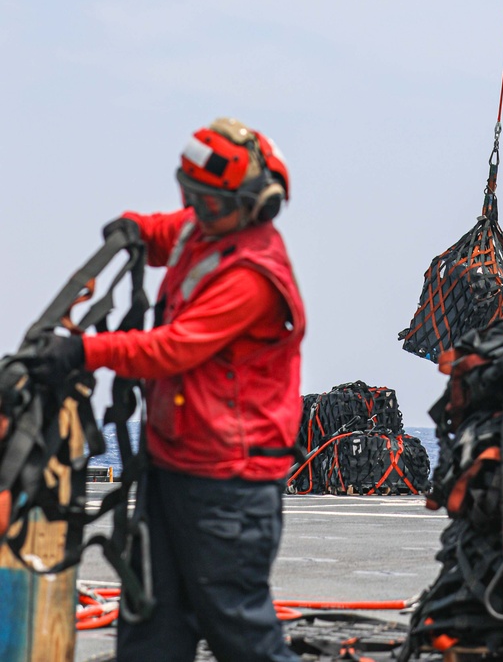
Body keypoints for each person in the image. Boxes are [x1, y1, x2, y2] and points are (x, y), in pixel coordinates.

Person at [33, 117, 306, 662]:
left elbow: (172, 348)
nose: (197, 212)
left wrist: (87, 351)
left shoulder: (252, 276)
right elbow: (170, 231)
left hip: (228, 485)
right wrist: (132, 228)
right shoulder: (207, 226)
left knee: (238, 629)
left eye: (208, 203)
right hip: (177, 465)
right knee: (152, 622)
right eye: (192, 198)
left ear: (252, 202)